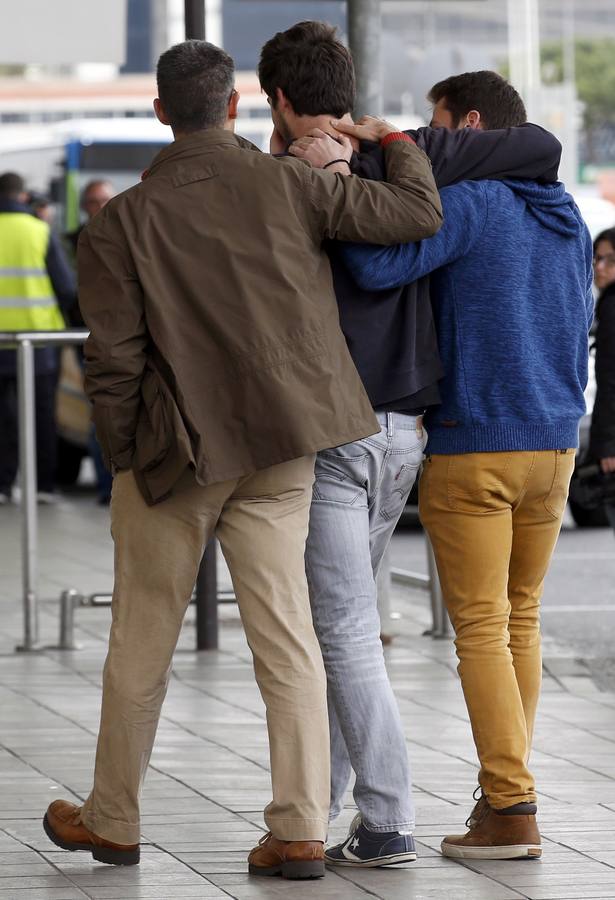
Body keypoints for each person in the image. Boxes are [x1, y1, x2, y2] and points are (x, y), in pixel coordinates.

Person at [41, 39, 443, 879]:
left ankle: (112, 817)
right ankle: (297, 827)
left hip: (174, 456)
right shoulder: (293, 183)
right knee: (288, 636)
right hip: (281, 447)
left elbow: (112, 361)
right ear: (234, 108)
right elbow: (413, 217)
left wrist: (123, 459)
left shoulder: (120, 224)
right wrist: (395, 143)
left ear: (159, 112)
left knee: (141, 639)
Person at [258, 23, 563, 868]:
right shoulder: (538, 200)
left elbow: (376, 267)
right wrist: (391, 142)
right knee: (506, 622)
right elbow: (536, 144)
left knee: (405, 629)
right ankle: (368, 803)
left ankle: (455, 810)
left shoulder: (443, 201)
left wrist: (339, 177)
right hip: (497, 436)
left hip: (412, 437)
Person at [341, 71, 593, 860]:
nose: (430, 141)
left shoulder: (475, 204)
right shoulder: (568, 216)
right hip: (553, 445)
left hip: (476, 442)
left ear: (470, 125)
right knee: (518, 619)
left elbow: (377, 270)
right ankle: (502, 798)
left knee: (480, 627)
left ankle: (512, 808)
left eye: (436, 125)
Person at [0, 172, 76, 505]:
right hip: (38, 340)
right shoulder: (39, 230)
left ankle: (2, 485)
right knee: (41, 415)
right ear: (22, 195)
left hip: (1, 341)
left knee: (1, 417)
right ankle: (43, 485)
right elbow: (66, 286)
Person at [589, 227, 615, 527]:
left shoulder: (611, 307)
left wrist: (606, 445)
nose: (599, 267)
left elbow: (609, 380)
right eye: (596, 258)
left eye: (609, 260)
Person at [64, 179, 115, 261]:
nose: (101, 206)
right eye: (93, 202)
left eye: (105, 200)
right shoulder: (70, 242)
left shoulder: (129, 240)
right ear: (84, 205)